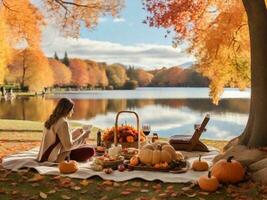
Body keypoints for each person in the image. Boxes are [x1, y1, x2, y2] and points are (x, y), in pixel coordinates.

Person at [37, 98, 94, 162]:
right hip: (52, 158)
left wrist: (78, 132)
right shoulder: (63, 122)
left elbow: (60, 138)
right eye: (72, 109)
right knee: (91, 150)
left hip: (43, 155)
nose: (73, 111)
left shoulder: (52, 119)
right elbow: (68, 146)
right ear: (67, 110)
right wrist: (84, 136)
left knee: (85, 146)